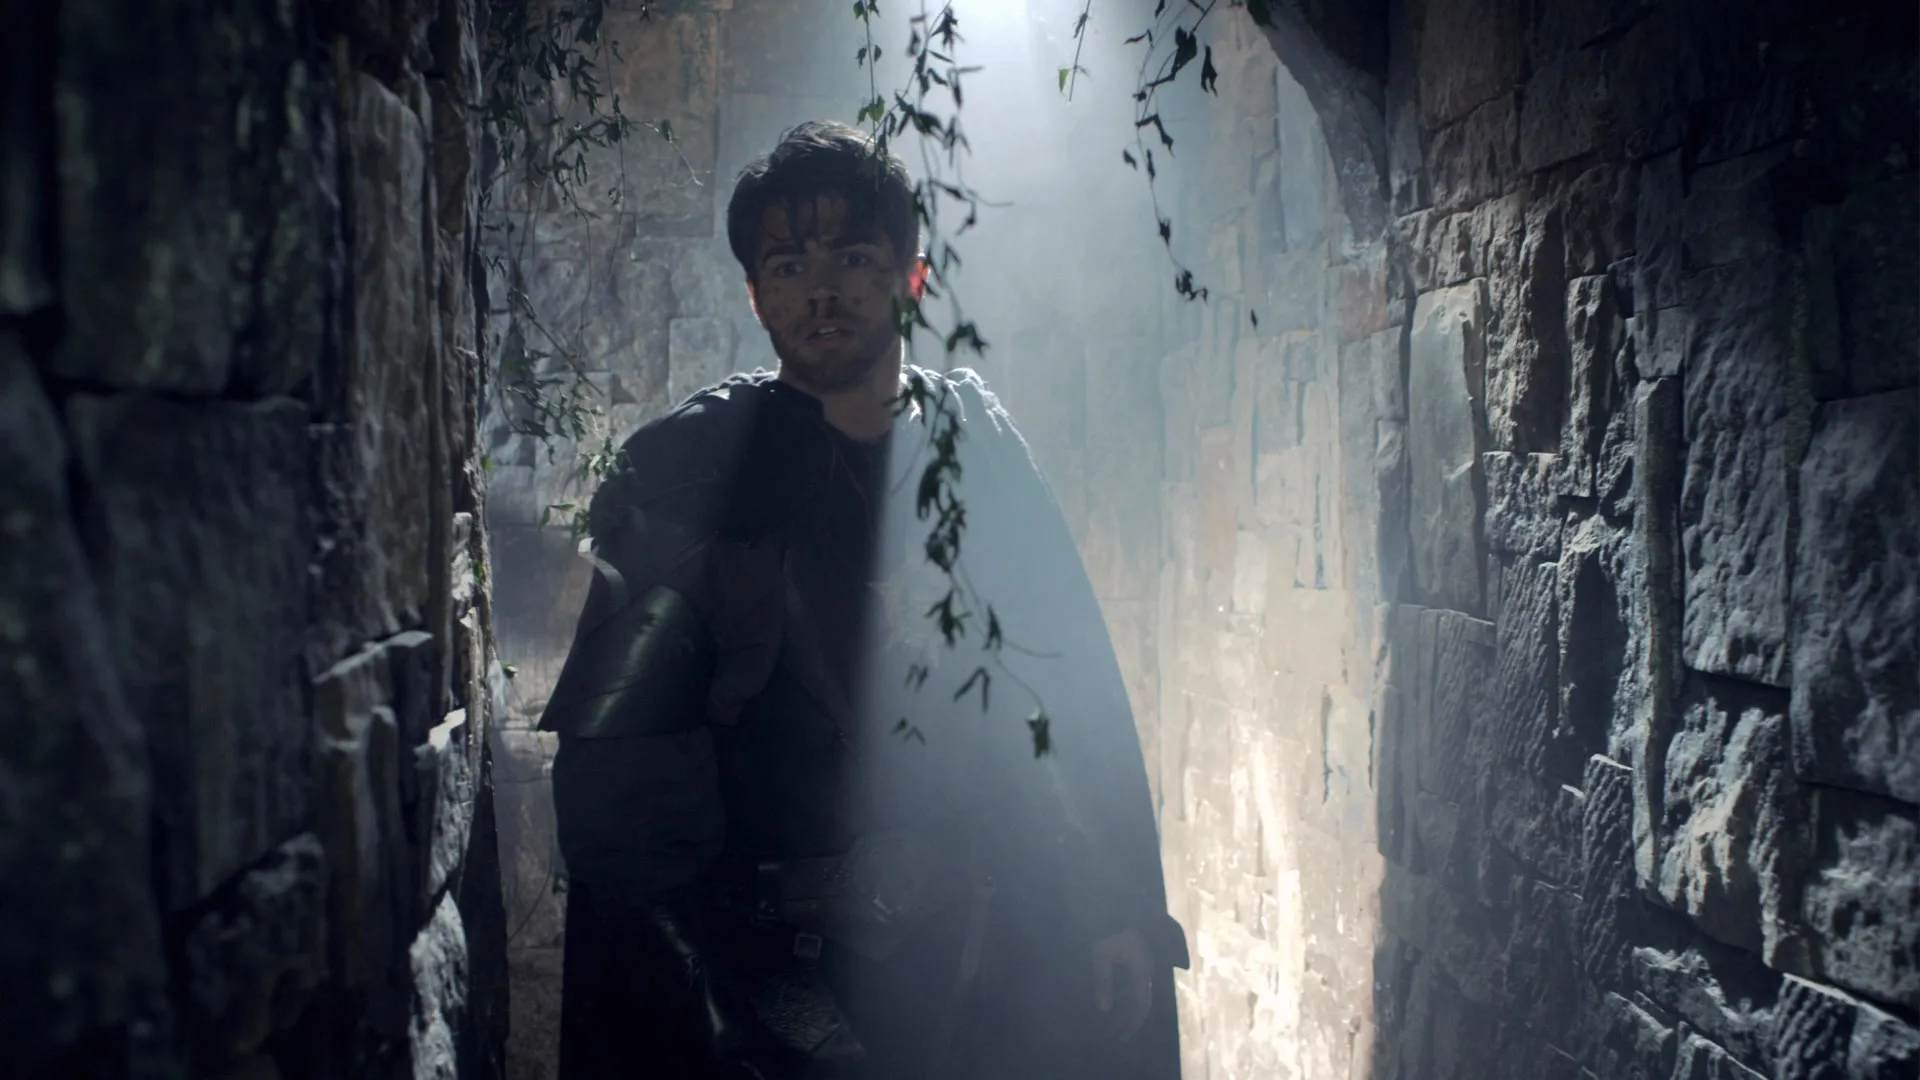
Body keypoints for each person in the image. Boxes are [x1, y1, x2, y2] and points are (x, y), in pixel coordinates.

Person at [540, 119, 1187, 1080]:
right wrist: (715, 1011)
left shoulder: (975, 450)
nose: (822, 289)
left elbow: (1054, 699)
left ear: (910, 278)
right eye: (789, 265)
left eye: (852, 256)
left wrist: (1106, 904)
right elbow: (619, 796)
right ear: (756, 295)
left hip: (986, 964)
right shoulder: (690, 471)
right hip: (767, 973)